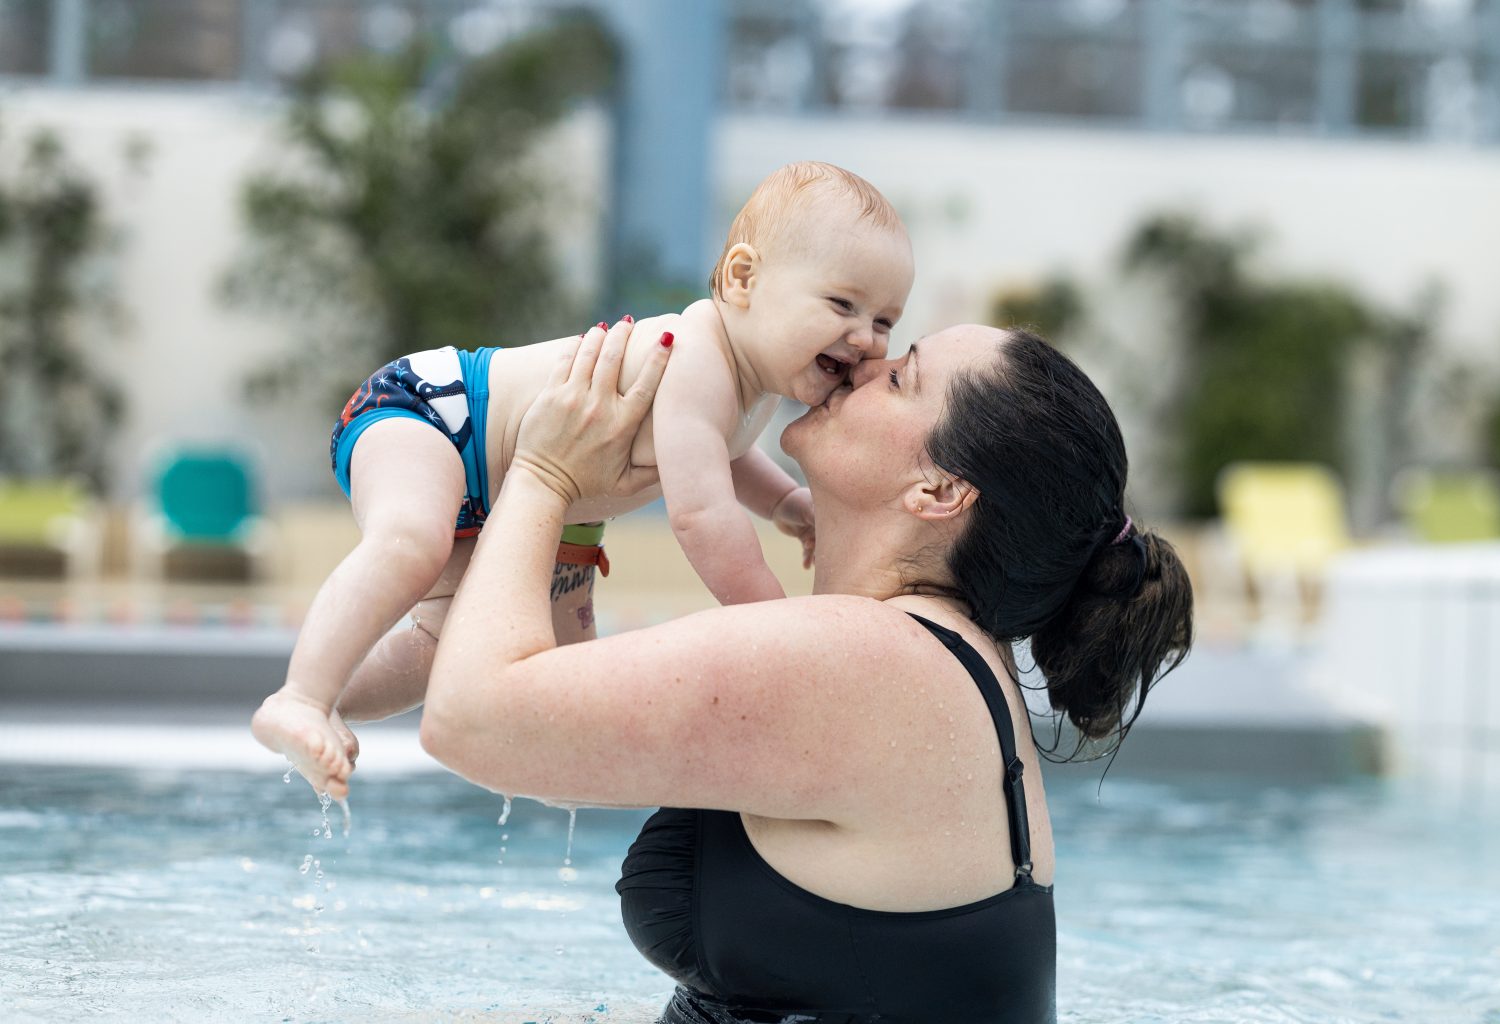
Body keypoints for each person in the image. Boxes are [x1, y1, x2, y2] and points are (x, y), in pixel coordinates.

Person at [419, 318, 1194, 1024]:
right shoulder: (940, 661)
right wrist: (576, 511)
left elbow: (469, 721)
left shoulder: (870, 663)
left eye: (901, 376)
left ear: (939, 491)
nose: (864, 362)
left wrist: (545, 472)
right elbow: (557, 752)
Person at [252, 162, 914, 799]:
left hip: (490, 490)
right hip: (435, 413)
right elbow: (702, 515)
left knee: (438, 649)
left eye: (885, 321)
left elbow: (727, 456)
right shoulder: (698, 357)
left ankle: (328, 705)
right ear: (744, 279)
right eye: (843, 304)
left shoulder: (753, 386)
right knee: (410, 542)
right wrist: (778, 624)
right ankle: (300, 696)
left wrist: (787, 503)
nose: (866, 338)